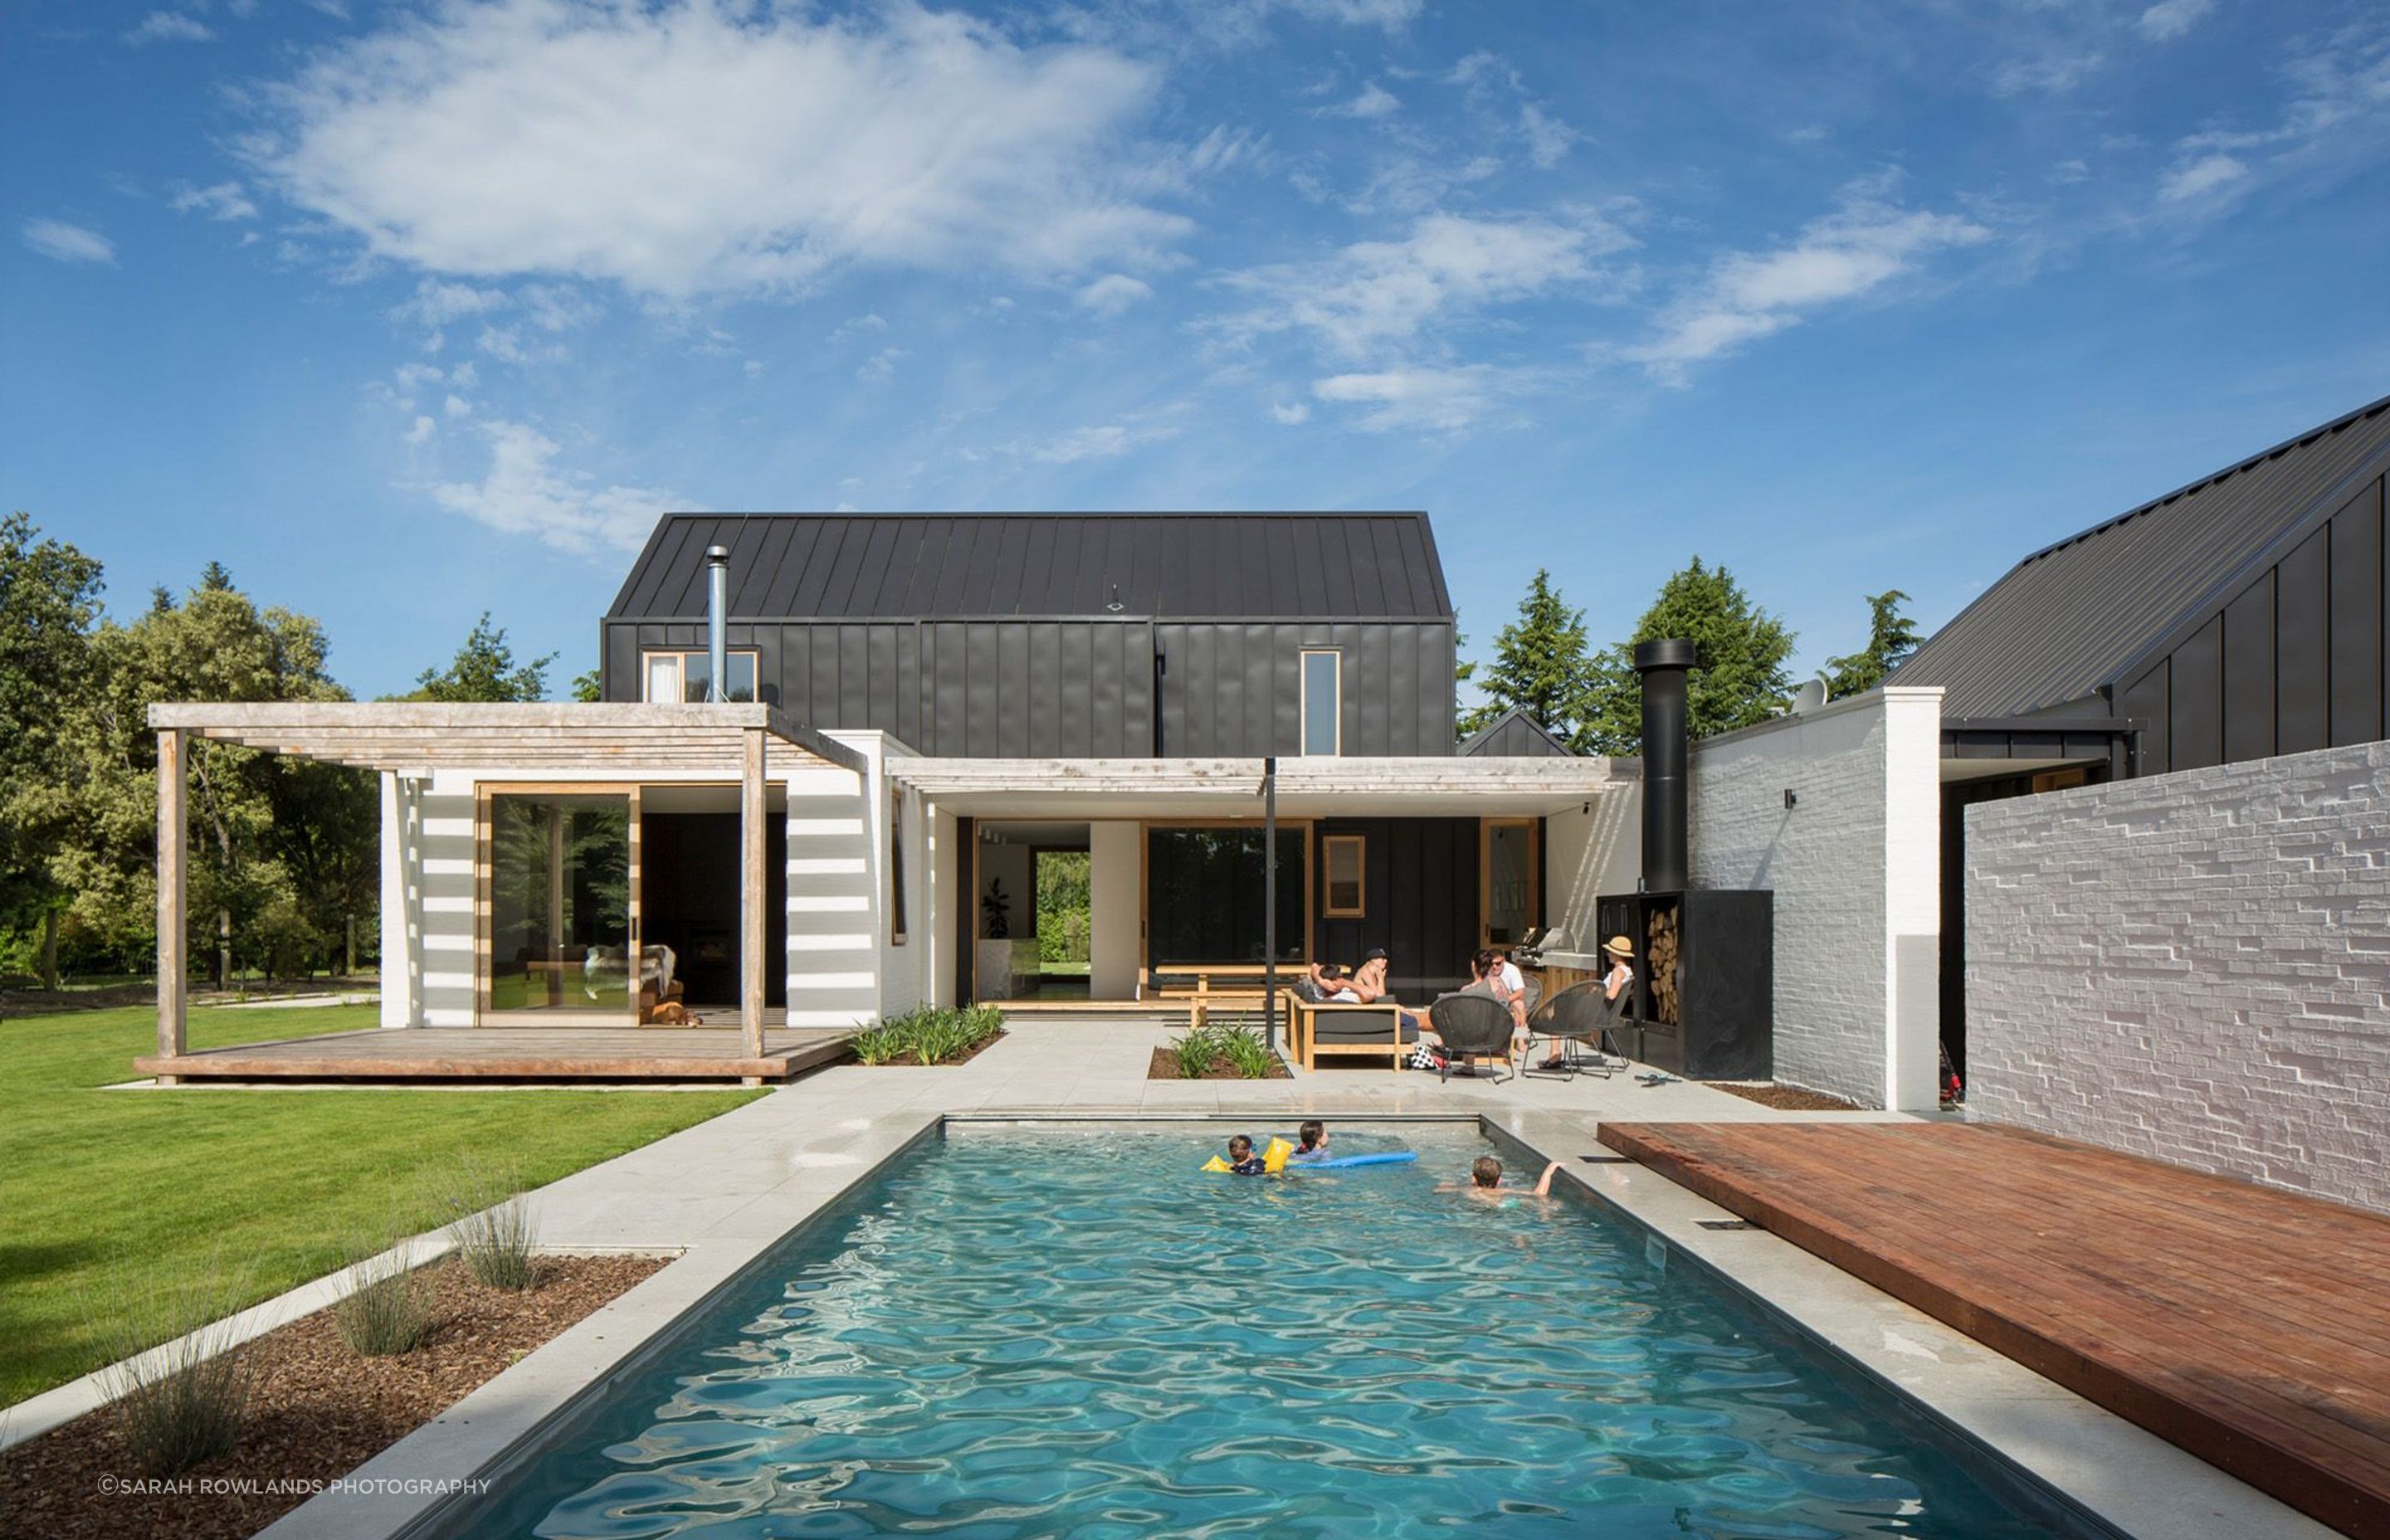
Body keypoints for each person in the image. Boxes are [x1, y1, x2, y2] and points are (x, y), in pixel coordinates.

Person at [1443, 1155, 1563, 1205]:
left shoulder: (1467, 1190)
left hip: (1487, 1204)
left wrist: (1446, 1184)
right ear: (1499, 1180)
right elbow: (1539, 1194)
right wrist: (1548, 1171)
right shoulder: (1503, 1191)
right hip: (1504, 1204)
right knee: (1540, 1203)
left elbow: (1441, 1189)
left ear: (1473, 1177)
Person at [1600, 935, 1635, 1002]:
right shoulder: (1627, 971)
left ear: (1616, 954)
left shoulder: (1618, 972)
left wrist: (1599, 991)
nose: (1608, 955)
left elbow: (1612, 995)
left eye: (1610, 952)